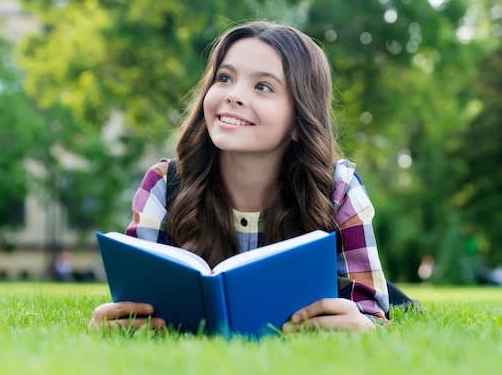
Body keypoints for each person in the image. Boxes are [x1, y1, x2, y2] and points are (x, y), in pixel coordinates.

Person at [90, 21, 390, 333]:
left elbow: (372, 316)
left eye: (263, 86)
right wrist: (114, 322)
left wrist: (363, 326)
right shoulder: (164, 184)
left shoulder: (338, 189)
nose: (234, 95)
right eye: (224, 78)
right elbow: (132, 304)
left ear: (299, 121)